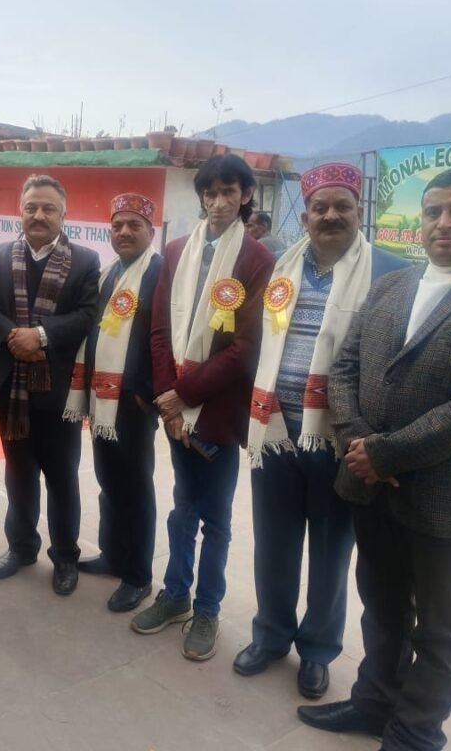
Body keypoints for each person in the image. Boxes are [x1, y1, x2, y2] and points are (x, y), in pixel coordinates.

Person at [299, 168, 451, 750]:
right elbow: (345, 368)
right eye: (433, 212)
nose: (443, 223)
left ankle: (415, 733)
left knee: (442, 627)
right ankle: (373, 703)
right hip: (372, 485)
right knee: (382, 607)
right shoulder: (392, 286)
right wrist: (359, 442)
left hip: (449, 496)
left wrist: (383, 452)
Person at [237, 163, 408, 699]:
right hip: (275, 431)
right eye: (319, 207)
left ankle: (317, 651)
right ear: (306, 215)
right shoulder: (280, 268)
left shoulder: (392, 273)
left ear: (360, 211)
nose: (330, 215)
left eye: (342, 206)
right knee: (274, 545)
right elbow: (254, 342)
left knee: (331, 553)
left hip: (339, 441)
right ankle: (270, 636)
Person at [131, 154, 274, 660]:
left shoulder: (256, 260)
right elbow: (158, 330)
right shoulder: (176, 251)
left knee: (215, 518)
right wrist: (169, 401)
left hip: (218, 409)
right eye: (210, 194)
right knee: (182, 509)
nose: (218, 203)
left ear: (245, 196)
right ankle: (175, 595)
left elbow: (246, 347)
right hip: (176, 409)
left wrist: (186, 395)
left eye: (228, 192)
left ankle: (208, 609)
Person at [0, 173, 100, 596]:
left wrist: (42, 336)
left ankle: (64, 556)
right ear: (20, 210)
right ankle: (21, 547)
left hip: (58, 392)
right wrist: (15, 336)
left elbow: (87, 314)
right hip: (10, 389)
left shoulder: (85, 261)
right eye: (31, 207)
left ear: (64, 214)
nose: (39, 215)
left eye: (49, 208)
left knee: (62, 478)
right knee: (18, 473)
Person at [68, 193, 162, 612]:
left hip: (133, 402)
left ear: (150, 231)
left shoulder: (158, 273)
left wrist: (147, 393)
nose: (124, 232)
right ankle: (113, 555)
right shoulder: (109, 274)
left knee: (136, 487)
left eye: (133, 225)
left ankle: (138, 575)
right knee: (109, 481)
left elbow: (164, 338)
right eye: (117, 225)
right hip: (102, 397)